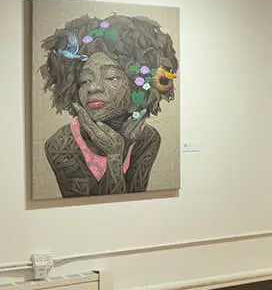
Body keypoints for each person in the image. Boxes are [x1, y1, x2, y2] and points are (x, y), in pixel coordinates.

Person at [40, 14, 178, 197]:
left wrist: (124, 145)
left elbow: (133, 200)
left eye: (111, 77)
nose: (93, 87)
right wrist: (114, 155)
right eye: (85, 80)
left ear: (135, 86)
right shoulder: (61, 145)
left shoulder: (147, 138)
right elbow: (87, 208)